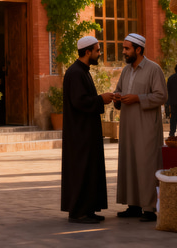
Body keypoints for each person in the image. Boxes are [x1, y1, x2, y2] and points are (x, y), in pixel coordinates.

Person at [113, 33, 167, 222]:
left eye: (127, 48)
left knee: (146, 163)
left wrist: (138, 98)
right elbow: (118, 89)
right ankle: (133, 205)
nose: (124, 52)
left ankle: (149, 208)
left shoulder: (154, 69)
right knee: (129, 162)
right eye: (123, 48)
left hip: (146, 125)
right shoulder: (126, 71)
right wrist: (117, 97)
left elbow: (161, 96)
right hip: (128, 124)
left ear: (138, 49)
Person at [61, 35, 113, 225]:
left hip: (86, 131)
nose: (99, 54)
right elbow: (79, 101)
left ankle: (88, 209)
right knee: (81, 170)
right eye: (98, 50)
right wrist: (101, 99)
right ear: (88, 51)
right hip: (79, 132)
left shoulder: (82, 71)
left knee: (90, 170)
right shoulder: (75, 73)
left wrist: (101, 99)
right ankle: (78, 212)